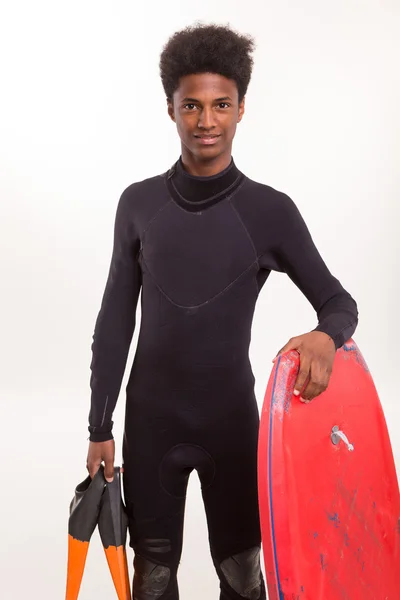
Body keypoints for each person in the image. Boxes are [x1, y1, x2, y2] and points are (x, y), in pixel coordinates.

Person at [85, 23, 358, 600]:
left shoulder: (269, 211)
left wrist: (324, 336)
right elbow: (115, 319)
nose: (206, 120)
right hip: (151, 423)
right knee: (152, 578)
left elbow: (338, 301)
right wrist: (99, 427)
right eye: (192, 104)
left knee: (241, 572)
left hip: (232, 425)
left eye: (220, 104)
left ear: (240, 109)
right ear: (170, 109)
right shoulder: (138, 205)